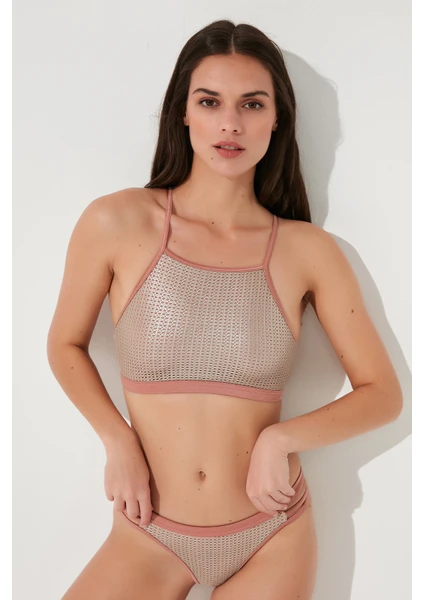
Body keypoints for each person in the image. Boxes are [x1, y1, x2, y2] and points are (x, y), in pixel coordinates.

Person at [46, 19, 403, 600]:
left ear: (277, 118)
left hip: (272, 533)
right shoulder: (117, 222)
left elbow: (383, 394)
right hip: (148, 529)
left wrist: (280, 440)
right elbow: (65, 344)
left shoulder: (307, 250)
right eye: (209, 102)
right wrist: (117, 439)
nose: (230, 123)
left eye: (252, 104)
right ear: (183, 113)